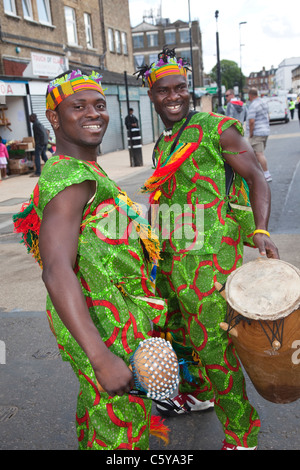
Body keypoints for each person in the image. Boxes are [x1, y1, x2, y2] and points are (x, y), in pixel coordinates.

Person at [13, 70, 168, 450]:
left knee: (101, 414)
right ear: (54, 117)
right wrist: (100, 357)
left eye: (99, 105)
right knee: (121, 431)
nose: (93, 113)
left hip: (114, 316)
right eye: (77, 106)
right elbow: (56, 270)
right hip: (101, 328)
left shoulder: (86, 170)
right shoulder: (71, 179)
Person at [136, 47, 279, 450]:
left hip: (210, 264)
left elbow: (257, 177)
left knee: (216, 347)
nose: (175, 96)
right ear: (152, 94)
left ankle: (241, 433)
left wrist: (261, 230)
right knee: (176, 333)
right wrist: (151, 247)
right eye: (164, 90)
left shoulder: (219, 129)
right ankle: (200, 393)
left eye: (181, 87)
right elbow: (163, 200)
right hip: (170, 260)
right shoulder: (162, 145)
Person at [246, 88, 272, 182]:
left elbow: (251, 121)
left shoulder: (253, 105)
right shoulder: (263, 102)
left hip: (257, 132)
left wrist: (251, 133)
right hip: (265, 131)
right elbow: (268, 116)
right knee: (257, 153)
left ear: (250, 95)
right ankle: (257, 173)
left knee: (259, 154)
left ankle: (266, 174)